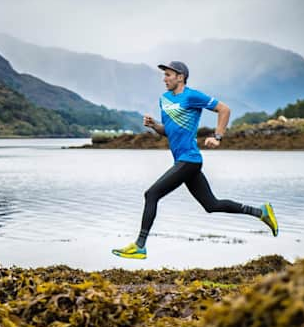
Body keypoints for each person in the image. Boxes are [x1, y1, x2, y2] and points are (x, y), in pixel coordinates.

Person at [112, 61, 278, 259]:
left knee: (151, 194)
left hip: (190, 160)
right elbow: (169, 131)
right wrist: (155, 126)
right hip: (182, 161)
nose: (164, 79)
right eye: (164, 75)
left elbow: (224, 109)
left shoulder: (192, 95)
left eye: (168, 75)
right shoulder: (164, 99)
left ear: (180, 77)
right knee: (211, 205)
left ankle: (140, 245)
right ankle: (261, 212)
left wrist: (217, 137)